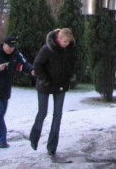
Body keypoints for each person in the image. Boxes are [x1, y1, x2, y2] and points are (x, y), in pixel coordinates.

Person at [0, 35, 34, 149]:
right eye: (9, 46)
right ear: (4, 44)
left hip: (6, 89)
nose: (11, 49)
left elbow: (25, 64)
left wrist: (33, 70)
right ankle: (2, 140)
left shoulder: (16, 54)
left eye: (13, 47)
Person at [29, 28, 76, 157]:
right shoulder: (47, 49)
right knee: (42, 112)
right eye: (65, 41)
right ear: (59, 39)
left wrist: (70, 76)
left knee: (58, 115)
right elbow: (37, 65)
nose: (67, 44)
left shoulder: (69, 50)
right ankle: (34, 137)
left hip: (60, 86)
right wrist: (45, 80)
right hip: (45, 85)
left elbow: (71, 64)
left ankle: (52, 146)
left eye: (69, 41)